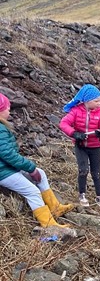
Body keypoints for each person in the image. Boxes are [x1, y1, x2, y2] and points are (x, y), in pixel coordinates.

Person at [0, 92, 73, 228]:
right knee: (32, 191)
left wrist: (32, 169)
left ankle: (55, 207)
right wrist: (30, 168)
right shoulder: (0, 129)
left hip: (6, 168)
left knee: (41, 173)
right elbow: (7, 154)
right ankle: (49, 225)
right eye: (7, 108)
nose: (9, 111)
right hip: (4, 172)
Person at [59, 84, 100, 210]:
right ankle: (82, 195)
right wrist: (74, 133)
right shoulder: (76, 111)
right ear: (87, 101)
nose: (99, 103)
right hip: (80, 146)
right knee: (83, 171)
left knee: (96, 173)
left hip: (95, 147)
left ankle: (99, 197)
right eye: (96, 101)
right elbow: (64, 123)